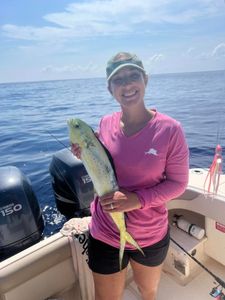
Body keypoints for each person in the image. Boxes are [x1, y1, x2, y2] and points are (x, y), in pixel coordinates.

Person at [72, 52, 189, 300]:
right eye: (118, 79)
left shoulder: (170, 130)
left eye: (133, 75)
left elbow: (179, 184)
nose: (126, 85)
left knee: (148, 292)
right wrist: (85, 154)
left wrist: (137, 200)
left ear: (145, 79)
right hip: (105, 232)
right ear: (109, 88)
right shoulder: (104, 123)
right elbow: (104, 168)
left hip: (150, 233)